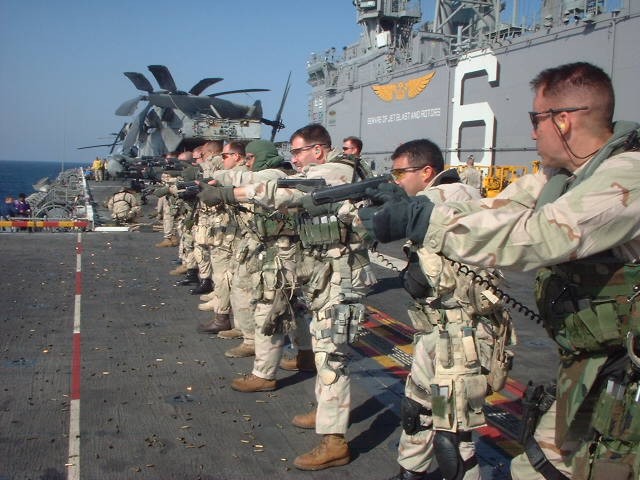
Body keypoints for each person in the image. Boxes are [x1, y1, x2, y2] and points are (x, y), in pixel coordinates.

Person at [360, 62, 640, 479]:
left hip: (622, 368)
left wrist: (423, 221)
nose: (533, 132)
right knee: (540, 467)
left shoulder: (627, 174)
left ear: (563, 120)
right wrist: (416, 209)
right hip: (598, 361)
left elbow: (542, 236)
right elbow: (495, 209)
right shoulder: (562, 177)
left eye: (535, 119)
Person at [208, 124, 376, 470]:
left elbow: (287, 192)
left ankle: (334, 441)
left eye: (298, 152)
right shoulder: (327, 171)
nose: (294, 159)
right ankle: (327, 412)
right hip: (326, 274)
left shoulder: (336, 171)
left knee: (331, 357)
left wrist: (230, 194)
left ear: (318, 150)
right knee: (323, 348)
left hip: (342, 277)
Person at [365, 139, 513, 480]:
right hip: (436, 330)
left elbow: (401, 217)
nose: (396, 180)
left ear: (426, 171)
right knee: (418, 408)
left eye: (400, 173)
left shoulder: (449, 195)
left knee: (452, 430)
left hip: (463, 338)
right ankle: (411, 471)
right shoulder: (430, 202)